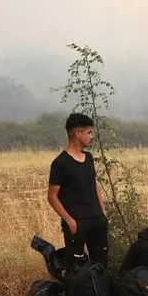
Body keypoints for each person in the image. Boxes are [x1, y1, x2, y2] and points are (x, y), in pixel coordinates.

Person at [47, 113, 108, 269]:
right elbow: (52, 197)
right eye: (88, 132)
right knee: (76, 269)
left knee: (101, 266)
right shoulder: (60, 163)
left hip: (97, 219)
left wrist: (103, 212)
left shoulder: (88, 158)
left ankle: (102, 293)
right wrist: (69, 220)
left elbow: (94, 185)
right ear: (78, 134)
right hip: (77, 223)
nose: (91, 136)